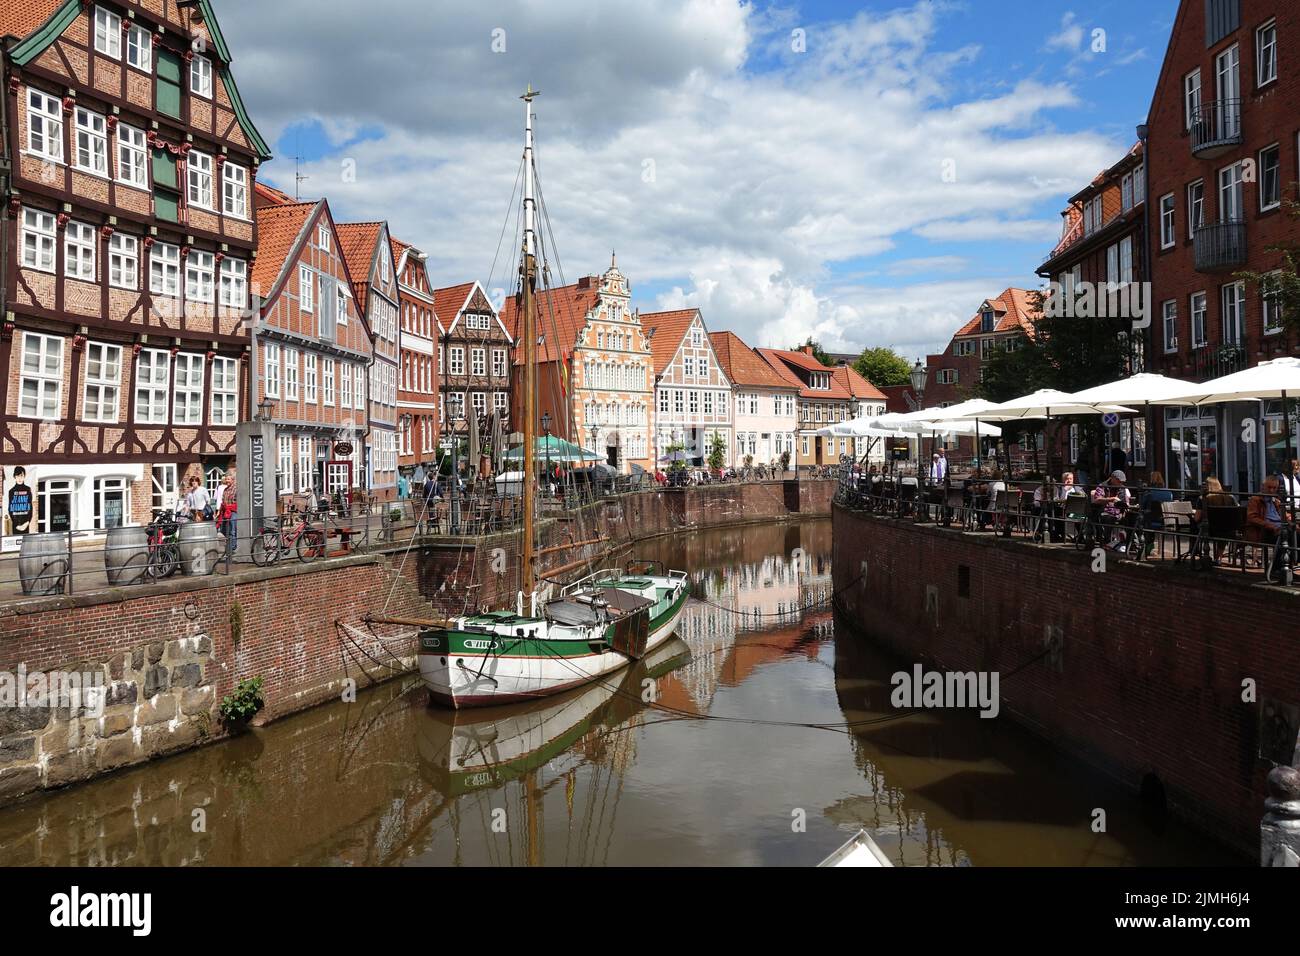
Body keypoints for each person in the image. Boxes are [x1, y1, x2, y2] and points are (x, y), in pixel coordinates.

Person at [1091, 470, 1132, 550]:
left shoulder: (1122, 488)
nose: (1121, 483)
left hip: (1119, 513)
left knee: (1132, 520)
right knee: (1109, 519)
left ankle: (1131, 543)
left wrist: (1126, 505)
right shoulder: (1102, 486)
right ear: (1113, 478)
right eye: (1119, 481)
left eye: (1122, 482)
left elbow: (1126, 502)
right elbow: (1097, 499)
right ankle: (1107, 542)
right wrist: (1111, 499)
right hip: (1105, 512)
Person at [1138, 471, 1174, 557]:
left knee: (1138, 521)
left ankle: (1145, 547)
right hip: (1165, 520)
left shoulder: (1149, 493)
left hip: (1151, 521)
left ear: (1152, 480)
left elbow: (1142, 505)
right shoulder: (1169, 493)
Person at [215, 470, 238, 556]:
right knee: (223, 529)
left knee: (232, 529)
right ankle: (231, 543)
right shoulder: (225, 489)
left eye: (229, 479)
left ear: (233, 480)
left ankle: (232, 547)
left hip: (233, 511)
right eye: (226, 479)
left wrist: (231, 507)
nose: (227, 481)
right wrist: (219, 511)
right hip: (225, 511)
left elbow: (238, 502)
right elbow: (222, 501)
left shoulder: (236, 489)